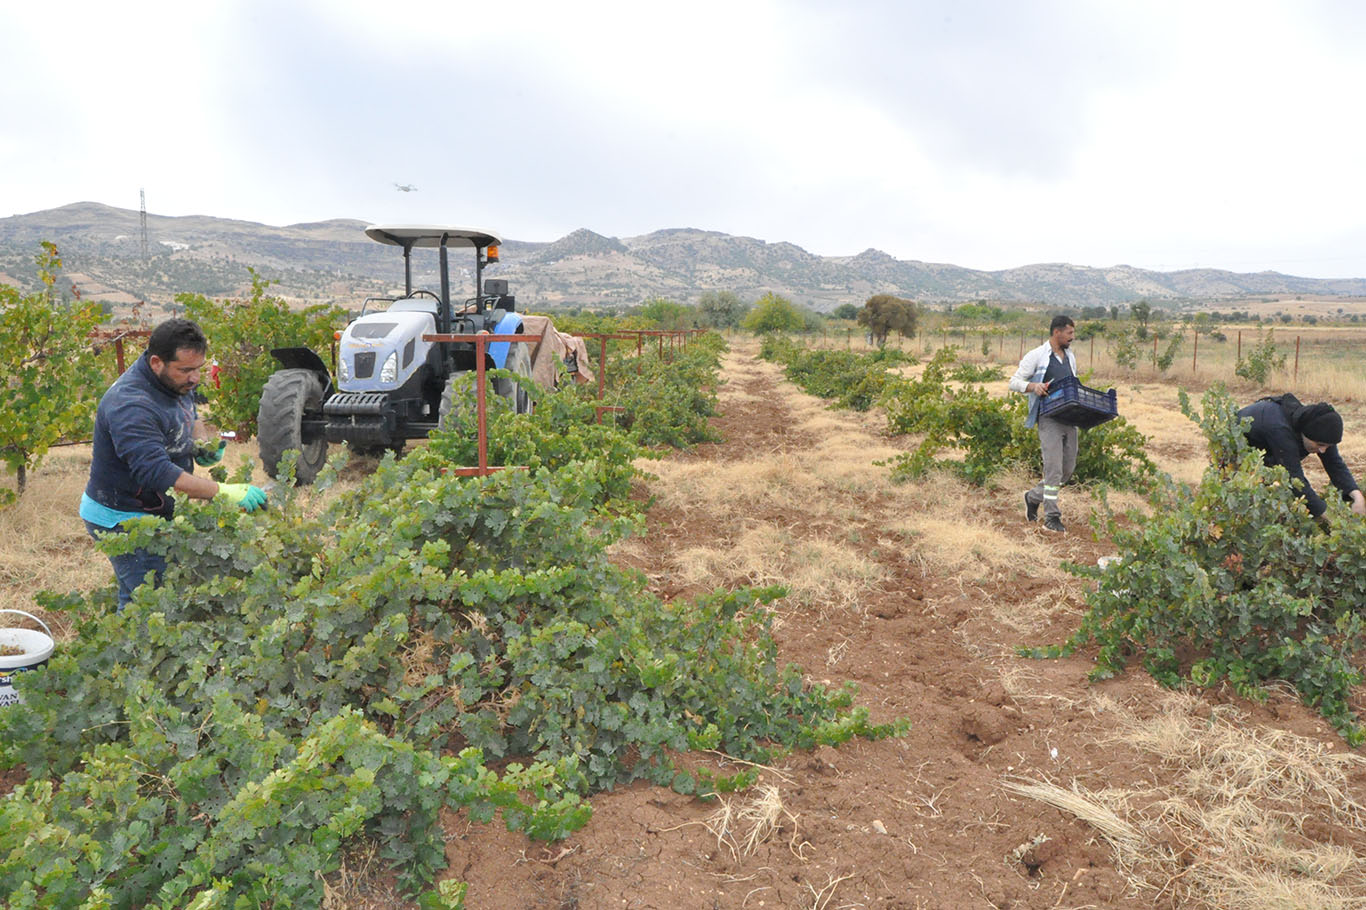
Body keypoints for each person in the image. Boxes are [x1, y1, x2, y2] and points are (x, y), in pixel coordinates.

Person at [80, 318, 266, 609]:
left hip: (153, 508)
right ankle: (134, 650)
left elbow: (189, 412)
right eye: (186, 370)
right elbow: (157, 473)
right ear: (156, 362)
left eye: (199, 369)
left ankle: (130, 644)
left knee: (141, 596)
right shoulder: (131, 404)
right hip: (122, 517)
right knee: (153, 603)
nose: (194, 378)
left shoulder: (174, 380)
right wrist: (223, 492)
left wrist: (201, 445)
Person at [1238, 393, 1366, 521]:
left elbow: (1334, 464)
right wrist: (1329, 517)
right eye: (1320, 444)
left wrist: (1356, 496)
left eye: (1328, 446)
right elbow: (1294, 478)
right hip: (1239, 449)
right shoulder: (1281, 431)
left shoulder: (1318, 427)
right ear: (1305, 434)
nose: (1323, 450)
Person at [1009, 315, 1078, 533]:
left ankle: (1032, 497)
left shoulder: (1070, 357)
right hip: (1049, 419)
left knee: (1067, 470)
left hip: (1070, 418)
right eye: (1069, 333)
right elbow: (1014, 382)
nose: (1072, 338)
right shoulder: (1037, 355)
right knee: (1053, 469)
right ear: (1056, 332)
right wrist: (1034, 387)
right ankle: (1052, 516)